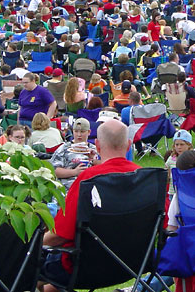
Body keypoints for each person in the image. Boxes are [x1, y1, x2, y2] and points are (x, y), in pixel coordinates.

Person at [42, 120, 138, 291]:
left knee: (30, 263)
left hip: (84, 266)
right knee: (51, 287)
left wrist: (33, 244)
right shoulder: (146, 177)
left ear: (97, 145)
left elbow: (60, 235)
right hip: (134, 262)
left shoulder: (89, 179)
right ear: (129, 145)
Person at [49, 118, 98, 190]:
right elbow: (54, 171)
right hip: (67, 187)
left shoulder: (94, 150)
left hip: (89, 187)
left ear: (89, 132)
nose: (79, 135)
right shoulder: (64, 148)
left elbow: (104, 167)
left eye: (82, 132)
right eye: (76, 131)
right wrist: (74, 172)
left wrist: (93, 160)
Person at [165, 129, 193, 201]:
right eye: (176, 144)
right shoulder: (171, 159)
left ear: (189, 145)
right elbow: (167, 173)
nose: (179, 147)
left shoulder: (192, 158)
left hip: (187, 192)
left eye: (182, 144)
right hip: (173, 192)